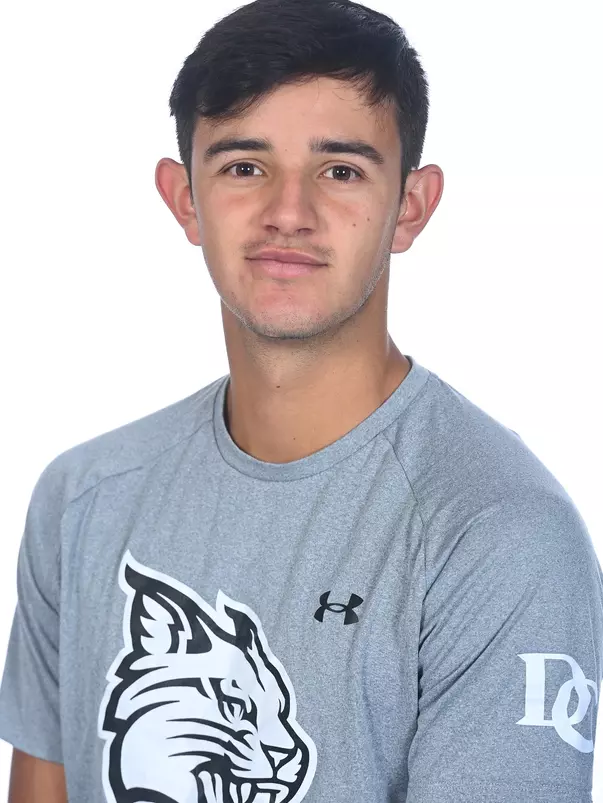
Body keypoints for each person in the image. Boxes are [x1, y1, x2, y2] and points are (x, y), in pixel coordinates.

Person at [1, 0, 601, 800]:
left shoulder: (498, 535)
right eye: (244, 166)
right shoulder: (82, 499)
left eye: (341, 170)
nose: (290, 212)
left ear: (410, 207)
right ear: (184, 198)